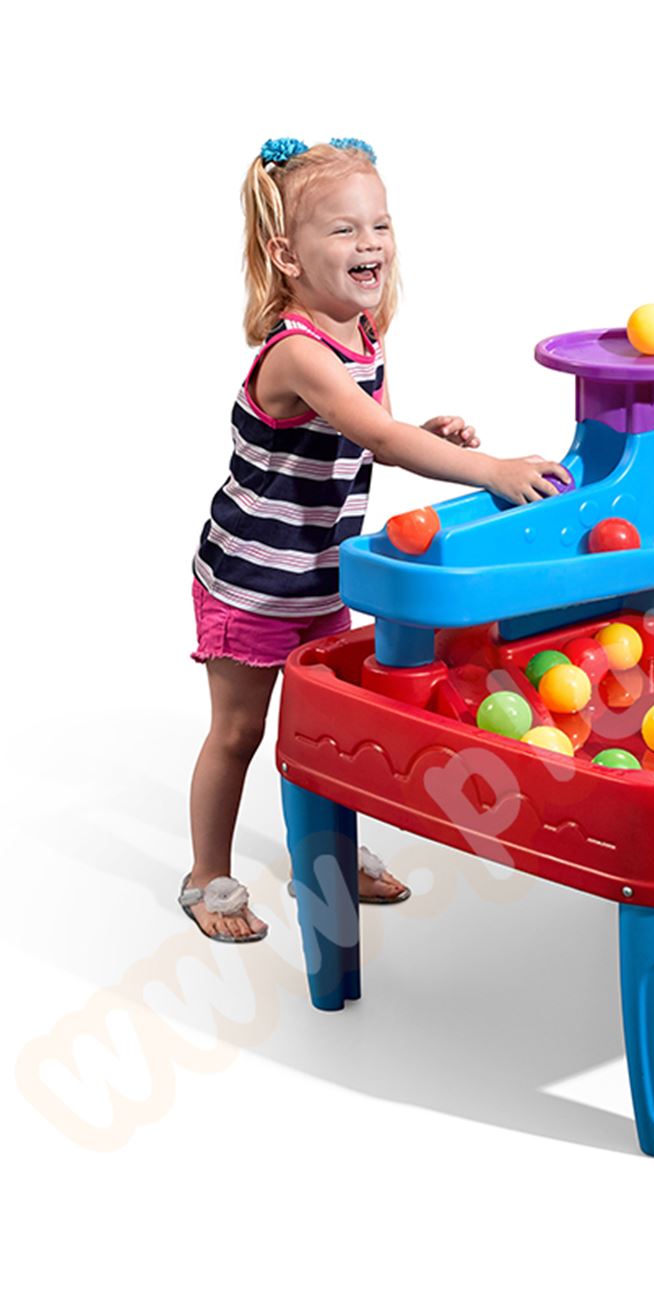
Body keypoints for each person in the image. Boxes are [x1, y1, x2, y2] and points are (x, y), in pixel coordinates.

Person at [183, 138, 569, 942]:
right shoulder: (297, 350)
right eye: (345, 230)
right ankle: (206, 877)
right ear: (287, 256)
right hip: (251, 579)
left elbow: (377, 433)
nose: (371, 244)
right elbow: (382, 440)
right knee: (240, 732)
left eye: (381, 225)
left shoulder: (364, 331)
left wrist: (426, 433)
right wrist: (489, 469)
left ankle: (323, 858)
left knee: (325, 731)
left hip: (321, 574)